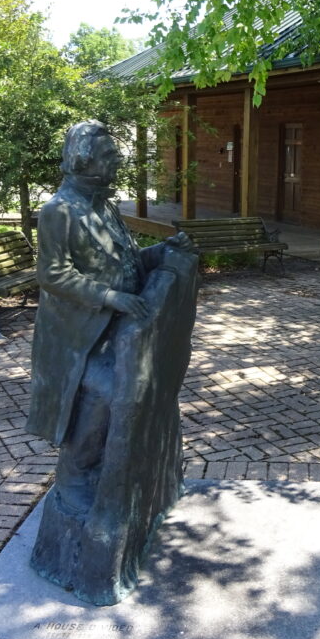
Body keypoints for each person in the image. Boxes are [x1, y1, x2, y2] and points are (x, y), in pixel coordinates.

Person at [26, 119, 192, 514]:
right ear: (84, 161)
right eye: (109, 156)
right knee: (104, 392)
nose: (117, 162)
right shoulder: (60, 211)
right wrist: (109, 297)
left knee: (141, 389)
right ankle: (75, 478)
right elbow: (52, 274)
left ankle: (132, 469)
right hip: (80, 334)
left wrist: (163, 250)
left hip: (117, 326)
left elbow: (126, 262)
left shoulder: (103, 205)